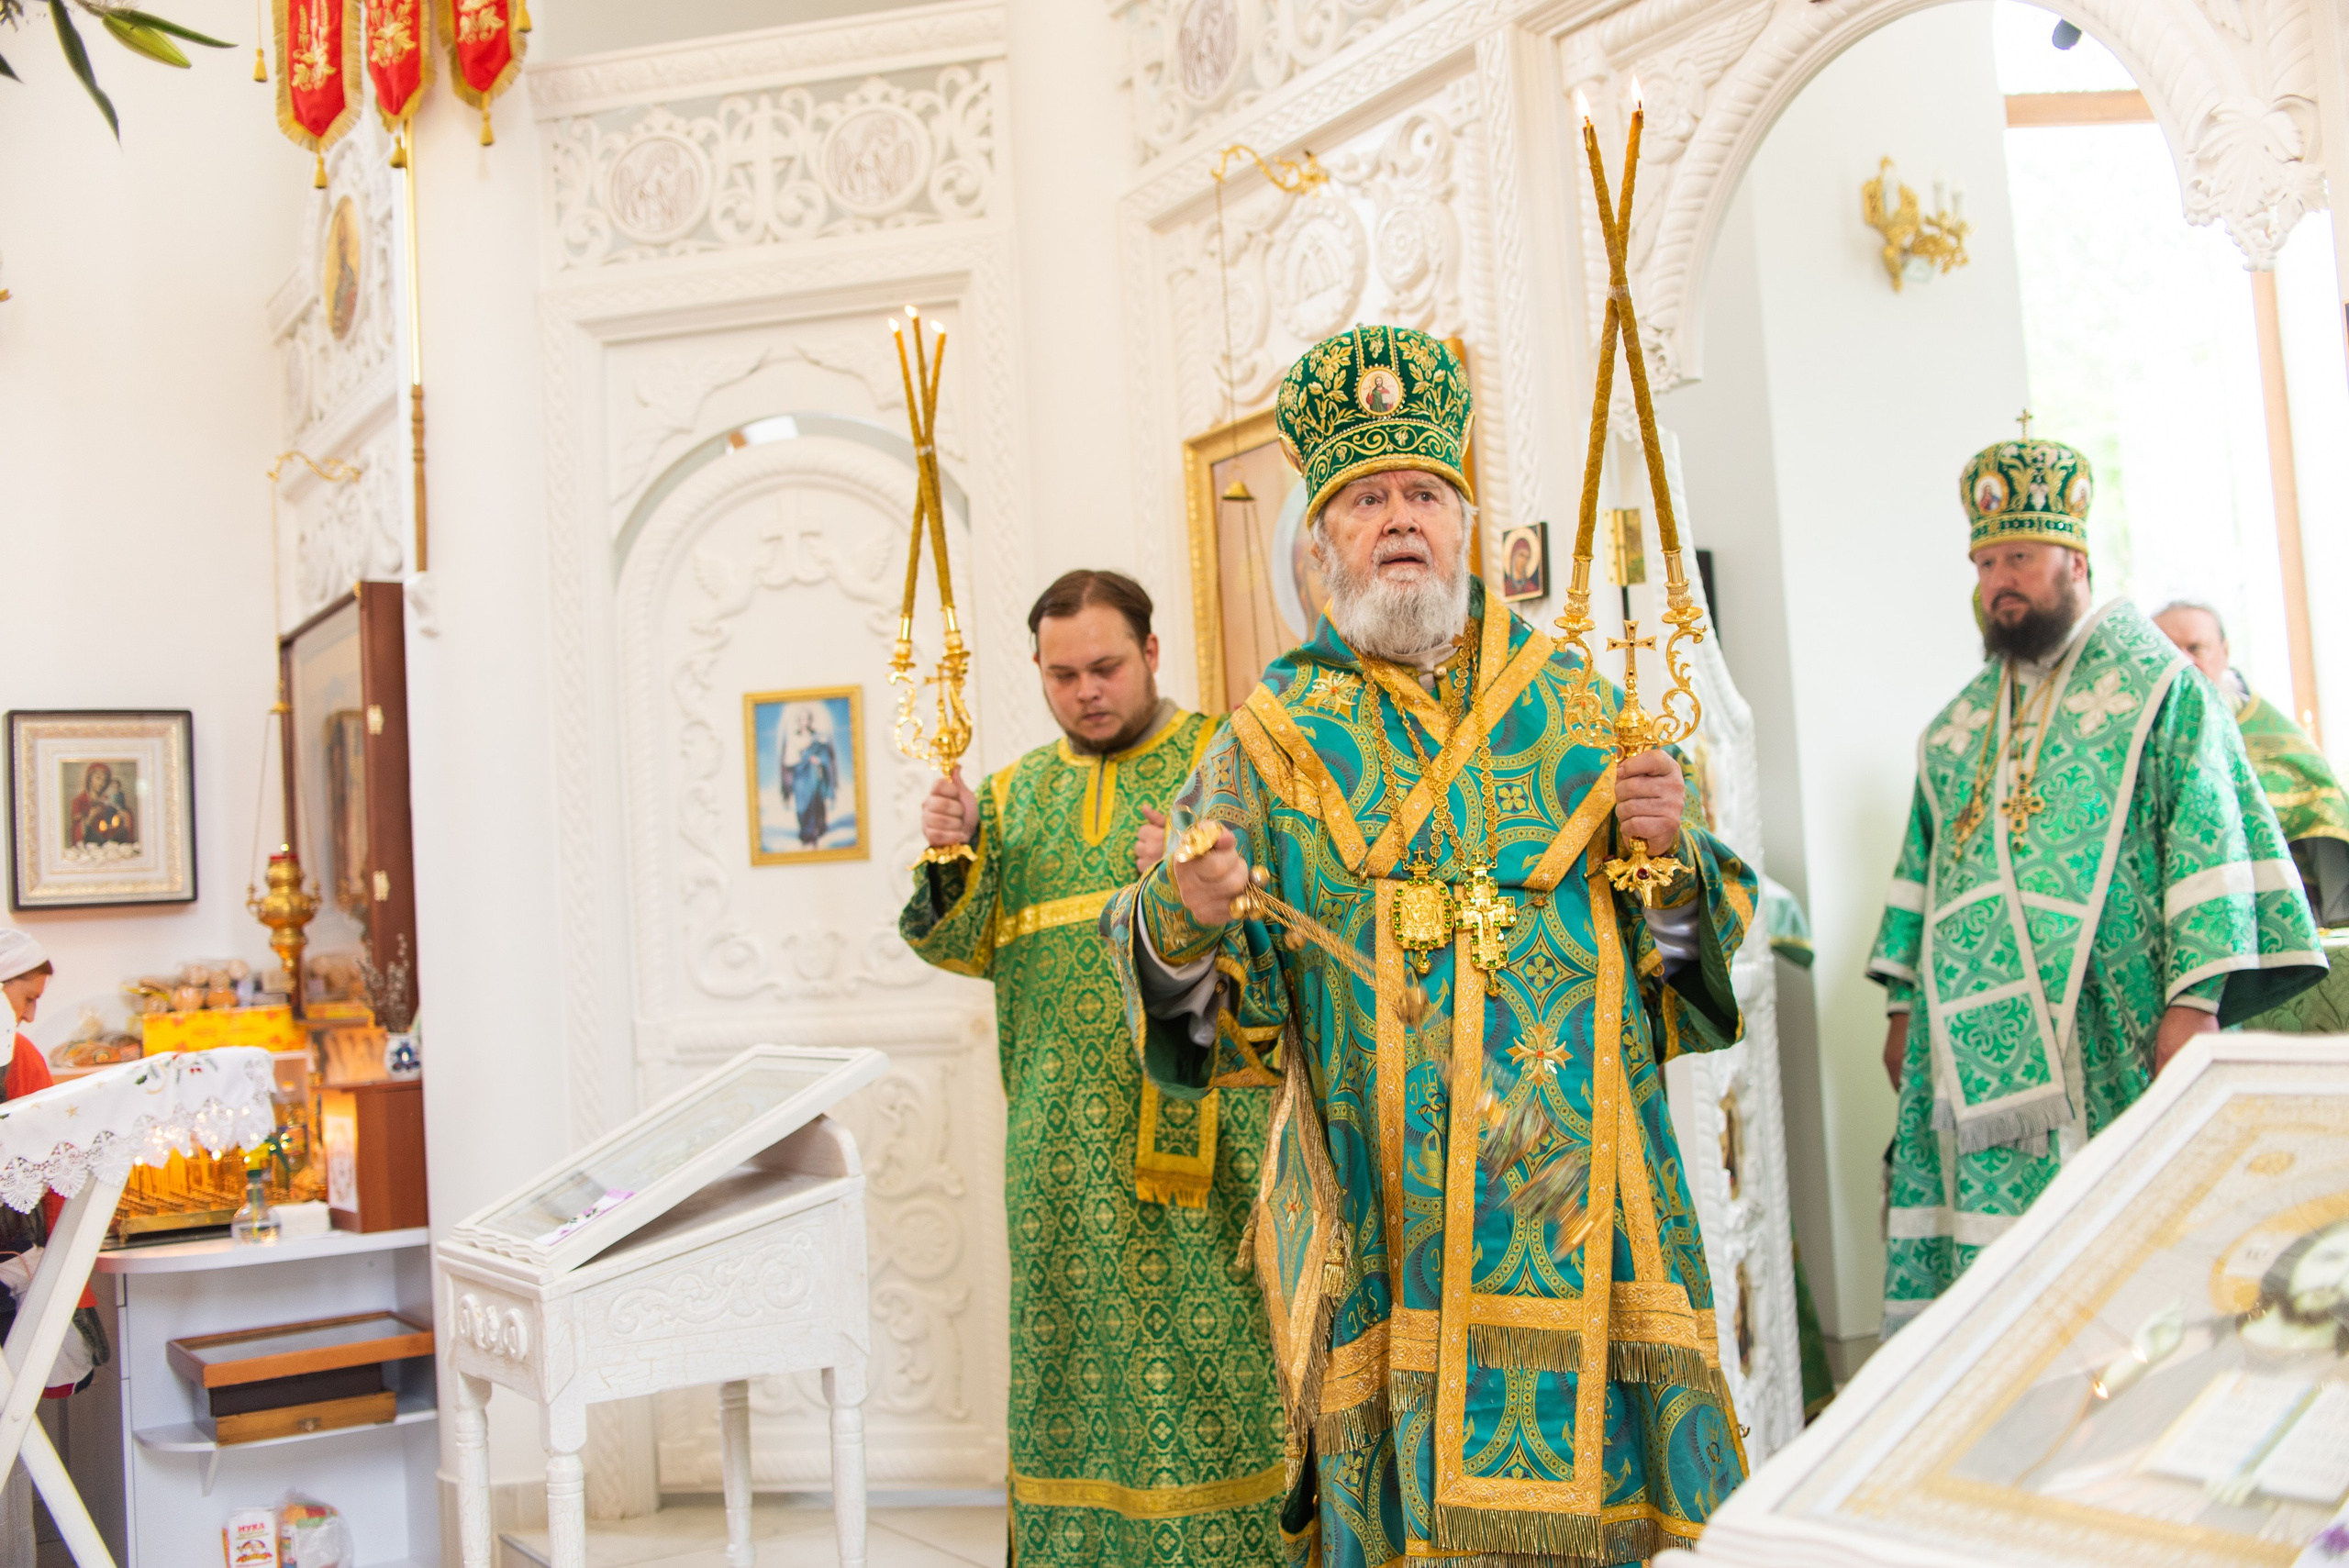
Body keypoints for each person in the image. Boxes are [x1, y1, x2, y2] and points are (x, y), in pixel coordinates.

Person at [1105, 327, 1753, 1564]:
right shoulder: (1268, 741)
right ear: (1322, 544)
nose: (1397, 519)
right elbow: (1212, 1034)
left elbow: (1688, 990)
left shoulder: (1581, 708)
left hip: (1586, 1210)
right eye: (1364, 500)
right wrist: (1186, 909)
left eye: (1421, 494)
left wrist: (1667, 861)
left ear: (1463, 523)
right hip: (1386, 1218)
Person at [1867, 433, 2326, 1336]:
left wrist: (2193, 1004)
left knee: (2125, 1280)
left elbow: (2205, 837)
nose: (2000, 577)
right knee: (2000, 1299)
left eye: (2020, 557)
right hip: (1967, 1063)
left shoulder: (2157, 689)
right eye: (1986, 560)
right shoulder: (1952, 730)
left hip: (2111, 1036)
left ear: (2073, 559)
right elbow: (1923, 873)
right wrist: (1898, 1012)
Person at [898, 571, 1283, 1566]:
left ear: (1152, 653)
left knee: (1222, 1380)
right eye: (1061, 674)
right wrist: (951, 854)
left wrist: (1213, 886)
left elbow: (1293, 945)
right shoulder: (1014, 796)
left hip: (1207, 1160)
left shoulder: (1228, 764)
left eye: (1106, 666)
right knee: (1073, 1382)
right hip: (1060, 1164)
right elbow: (958, 942)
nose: (1086, 691)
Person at [0, 929, 109, 1568]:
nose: (30, 1013)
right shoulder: (23, 1060)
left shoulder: (26, 1060)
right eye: (26, 996)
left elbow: (53, 1184)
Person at [2152, 598, 2349, 927]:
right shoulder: (2129, 736)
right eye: (2168, 649)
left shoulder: (2271, 734)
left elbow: (2326, 822)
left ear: (2224, 652)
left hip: (2281, 921)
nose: (2181, 661)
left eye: (2195, 647)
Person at [783, 707, 838, 850]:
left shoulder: (817, 737)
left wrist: (817, 759)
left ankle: (812, 835)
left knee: (814, 804)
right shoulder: (794, 738)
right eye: (801, 719)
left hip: (813, 775)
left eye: (806, 718)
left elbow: (824, 755)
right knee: (802, 807)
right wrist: (804, 757)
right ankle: (804, 833)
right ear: (798, 721)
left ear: (810, 720)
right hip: (800, 776)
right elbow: (789, 760)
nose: (804, 721)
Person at [67, 762, 132, 848]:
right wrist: (90, 818)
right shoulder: (80, 801)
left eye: (105, 780)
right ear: (89, 778)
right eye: (98, 778)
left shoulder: (109, 801)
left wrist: (124, 817)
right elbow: (76, 836)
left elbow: (116, 829)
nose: (102, 783)